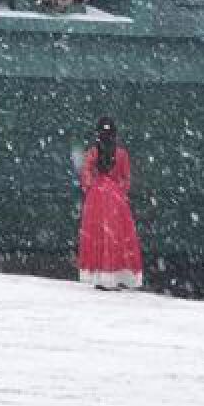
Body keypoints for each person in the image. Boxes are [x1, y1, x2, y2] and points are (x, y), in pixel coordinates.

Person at [77, 116, 143, 290]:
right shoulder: (121, 154)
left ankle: (101, 275)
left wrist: (94, 187)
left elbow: (86, 174)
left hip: (97, 200)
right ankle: (117, 274)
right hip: (115, 201)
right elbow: (126, 179)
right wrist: (116, 190)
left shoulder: (92, 152)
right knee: (117, 237)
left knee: (99, 236)